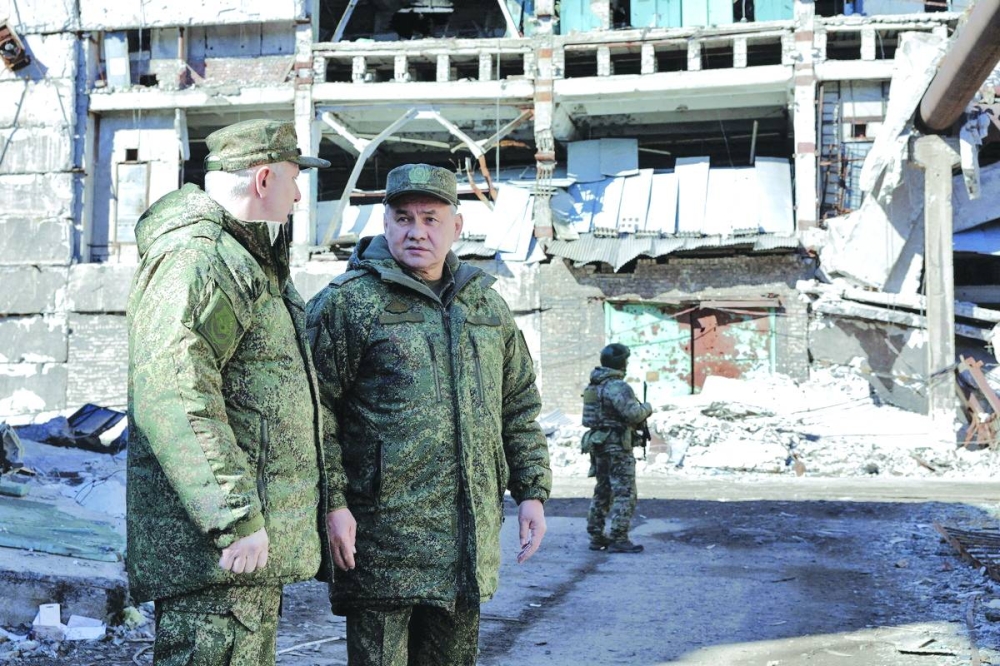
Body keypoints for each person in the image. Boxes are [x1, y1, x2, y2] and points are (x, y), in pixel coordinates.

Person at [306, 163, 552, 665]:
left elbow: (517, 405)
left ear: (456, 226)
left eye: (430, 218)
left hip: (463, 547)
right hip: (381, 542)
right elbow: (314, 413)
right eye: (403, 218)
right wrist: (332, 504)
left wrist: (531, 491)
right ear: (385, 223)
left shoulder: (485, 307)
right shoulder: (348, 304)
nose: (416, 231)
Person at [126, 119, 334, 665]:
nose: (298, 195)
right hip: (219, 561)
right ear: (264, 179)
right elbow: (174, 392)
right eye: (294, 179)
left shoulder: (245, 259)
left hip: (239, 562)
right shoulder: (201, 258)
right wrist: (233, 516)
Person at [581, 343, 652, 554]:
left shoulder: (593, 386)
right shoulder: (617, 387)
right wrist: (647, 408)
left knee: (603, 491)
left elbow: (589, 418)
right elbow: (634, 414)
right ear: (620, 363)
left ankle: (596, 535)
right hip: (617, 446)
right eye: (626, 361)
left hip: (598, 444)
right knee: (625, 493)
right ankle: (619, 537)